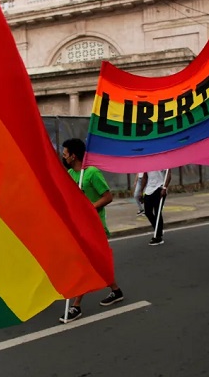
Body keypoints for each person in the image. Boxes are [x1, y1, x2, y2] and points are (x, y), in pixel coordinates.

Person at [59, 138, 124, 323]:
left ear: (74, 155)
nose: (64, 157)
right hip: (78, 226)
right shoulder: (71, 173)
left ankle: (76, 306)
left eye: (65, 154)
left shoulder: (92, 173)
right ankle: (116, 290)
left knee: (84, 264)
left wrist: (90, 208)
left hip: (94, 226)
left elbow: (108, 196)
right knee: (95, 263)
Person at [139, 170, 171, 245]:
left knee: (157, 212)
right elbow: (145, 177)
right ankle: (159, 229)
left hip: (159, 188)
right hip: (149, 190)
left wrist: (164, 187)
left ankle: (158, 237)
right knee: (147, 212)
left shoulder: (163, 161)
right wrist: (141, 191)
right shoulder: (147, 163)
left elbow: (168, 174)